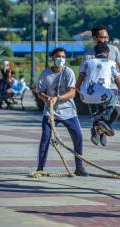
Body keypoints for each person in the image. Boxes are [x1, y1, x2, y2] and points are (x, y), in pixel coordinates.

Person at [35, 47, 88, 177]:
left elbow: (72, 92)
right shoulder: (45, 74)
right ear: (53, 58)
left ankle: (79, 167)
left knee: (78, 136)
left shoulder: (68, 72)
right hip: (50, 113)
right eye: (59, 56)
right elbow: (39, 91)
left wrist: (57, 98)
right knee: (45, 138)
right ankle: (40, 168)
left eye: (63, 57)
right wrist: (45, 98)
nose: (61, 59)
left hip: (68, 112)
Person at [77, 25, 120, 145]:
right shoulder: (88, 55)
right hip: (95, 88)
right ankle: (98, 131)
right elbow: (83, 75)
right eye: (102, 37)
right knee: (99, 112)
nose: (106, 40)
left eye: (107, 37)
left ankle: (102, 129)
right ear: (95, 38)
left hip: (112, 87)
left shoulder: (114, 49)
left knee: (116, 111)